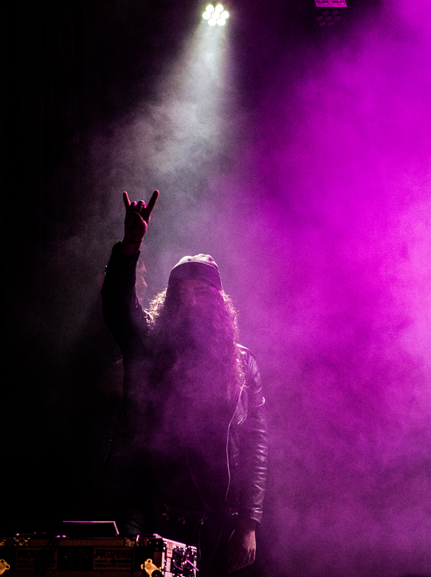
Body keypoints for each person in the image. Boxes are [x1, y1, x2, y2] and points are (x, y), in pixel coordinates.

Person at [102, 190, 267, 575]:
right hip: (145, 510)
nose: (189, 301)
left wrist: (248, 523)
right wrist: (130, 247)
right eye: (180, 292)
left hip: (211, 519)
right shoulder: (151, 345)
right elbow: (119, 308)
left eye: (200, 293)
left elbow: (257, 444)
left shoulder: (243, 363)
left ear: (218, 302)